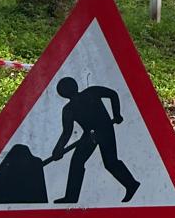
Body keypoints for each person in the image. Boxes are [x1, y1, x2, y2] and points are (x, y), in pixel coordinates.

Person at [46, 77, 140, 205]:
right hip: (90, 135)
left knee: (110, 162)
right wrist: (58, 149)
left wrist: (117, 114)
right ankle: (71, 197)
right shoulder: (69, 109)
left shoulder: (91, 92)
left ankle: (132, 184)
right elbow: (67, 132)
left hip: (105, 129)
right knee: (77, 162)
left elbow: (112, 94)